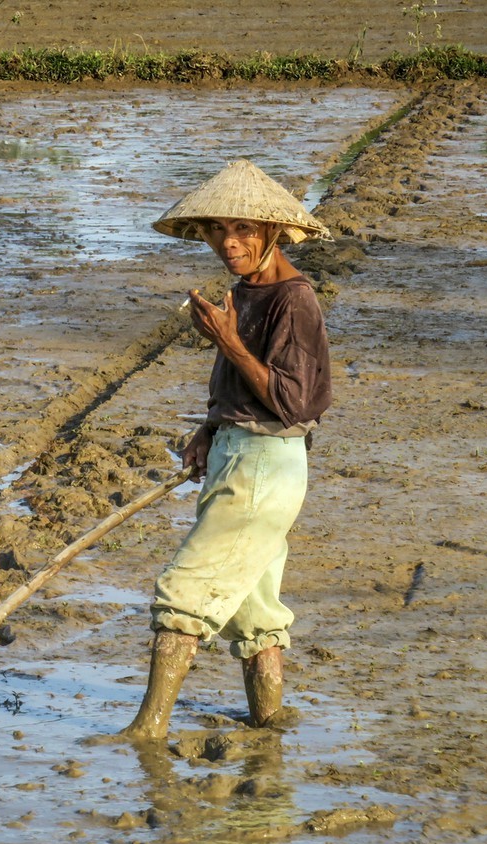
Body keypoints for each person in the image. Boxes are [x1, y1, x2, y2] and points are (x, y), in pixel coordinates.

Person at [121, 159, 332, 742]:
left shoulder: (295, 301)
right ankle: (268, 723)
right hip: (239, 453)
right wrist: (209, 430)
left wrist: (231, 343)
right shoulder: (245, 292)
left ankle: (147, 730)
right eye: (217, 230)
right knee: (254, 608)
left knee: (185, 588)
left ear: (272, 234)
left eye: (242, 231)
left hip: (265, 465)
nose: (228, 243)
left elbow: (293, 401)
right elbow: (242, 389)